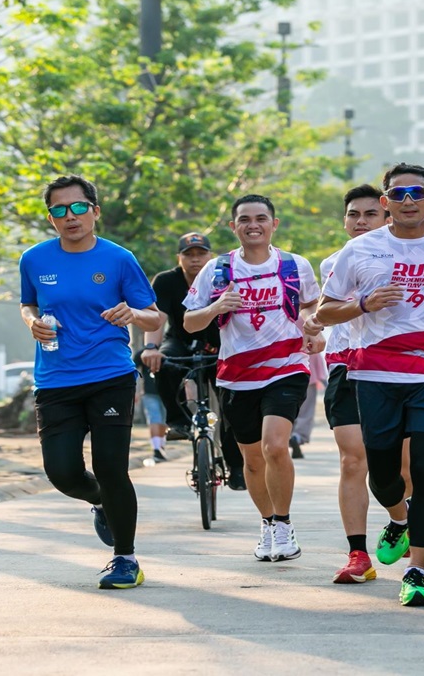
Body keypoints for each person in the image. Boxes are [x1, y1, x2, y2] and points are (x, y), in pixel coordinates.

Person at [317, 163, 424, 607]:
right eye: (399, 193)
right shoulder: (361, 249)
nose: (409, 200)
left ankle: (417, 571)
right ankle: (398, 518)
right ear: (386, 202)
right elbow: (323, 315)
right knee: (384, 475)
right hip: (375, 374)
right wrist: (363, 303)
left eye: (418, 192)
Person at [19, 174, 165, 589]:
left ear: (95, 211)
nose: (71, 217)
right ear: (51, 218)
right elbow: (28, 303)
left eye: (79, 207)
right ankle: (99, 500)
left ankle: (125, 558)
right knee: (62, 472)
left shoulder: (118, 258)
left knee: (111, 466)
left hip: (110, 377)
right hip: (55, 380)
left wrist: (133, 315)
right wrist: (31, 322)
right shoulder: (34, 259)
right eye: (60, 210)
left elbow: (155, 316)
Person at [183, 194, 322, 564]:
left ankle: (284, 524)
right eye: (244, 219)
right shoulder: (216, 269)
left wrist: (312, 326)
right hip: (236, 375)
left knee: (274, 446)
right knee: (252, 459)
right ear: (234, 227)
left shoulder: (295, 265)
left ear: (273, 224)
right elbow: (189, 320)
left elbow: (312, 305)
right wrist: (215, 307)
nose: (253, 225)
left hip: (286, 367)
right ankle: (267, 522)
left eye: (261, 218)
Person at [311, 183, 391, 584]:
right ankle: (358, 554)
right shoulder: (331, 264)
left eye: (370, 214)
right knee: (351, 458)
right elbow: (323, 312)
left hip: (397, 369)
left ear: (387, 216)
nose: (361, 222)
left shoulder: (416, 257)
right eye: (353, 215)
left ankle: (399, 519)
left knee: (398, 465)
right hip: (345, 364)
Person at [142, 232, 246, 491]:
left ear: (210, 256)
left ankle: (236, 466)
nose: (195, 260)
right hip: (179, 339)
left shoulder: (222, 277)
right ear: (179, 258)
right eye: (189, 255)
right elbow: (157, 318)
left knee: (231, 405)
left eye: (201, 254)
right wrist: (151, 347)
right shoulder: (166, 281)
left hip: (219, 344)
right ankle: (178, 421)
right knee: (163, 362)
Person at [133, 350, 167, 461]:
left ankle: (159, 447)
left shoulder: (166, 349)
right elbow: (133, 371)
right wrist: (135, 391)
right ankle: (157, 449)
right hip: (151, 392)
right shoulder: (142, 354)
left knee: (161, 420)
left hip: (165, 391)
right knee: (156, 419)